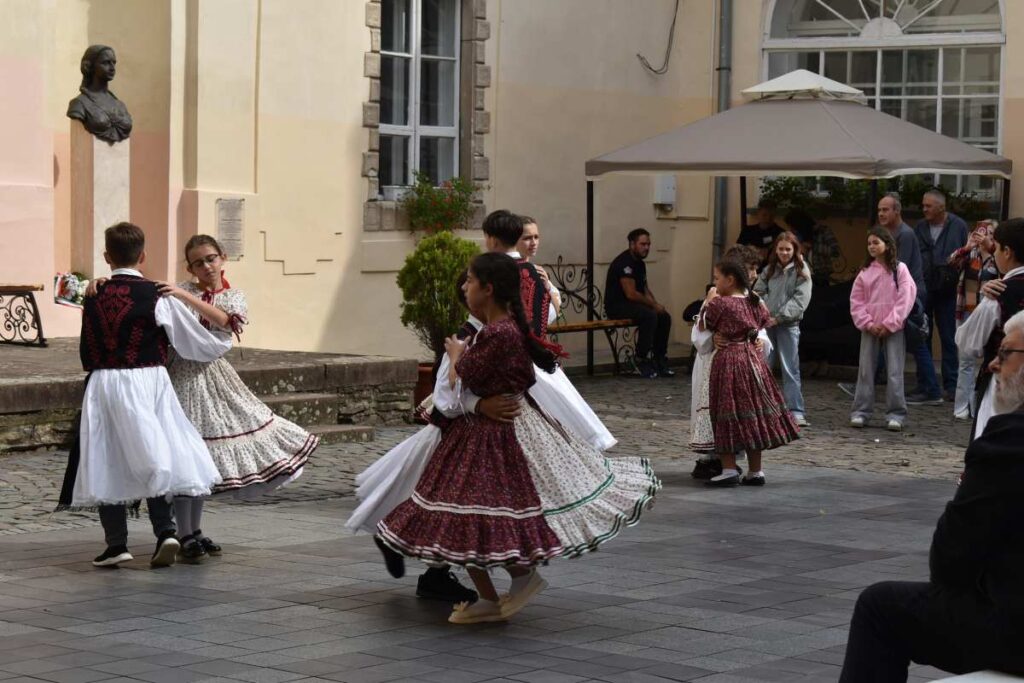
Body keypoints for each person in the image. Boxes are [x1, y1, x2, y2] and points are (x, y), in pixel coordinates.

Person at [377, 253, 661, 624]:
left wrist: (458, 357)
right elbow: (461, 388)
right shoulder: (496, 331)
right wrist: (474, 391)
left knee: (469, 514)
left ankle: (503, 589)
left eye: (470, 281)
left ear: (488, 289)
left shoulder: (497, 334)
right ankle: (501, 589)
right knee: (469, 514)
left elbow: (462, 380)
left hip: (495, 436)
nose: (465, 287)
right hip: (482, 432)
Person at [838, 310, 1024, 682]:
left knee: (879, 607)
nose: (993, 364)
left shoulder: (1009, 440)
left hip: (1015, 631)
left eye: (1004, 353)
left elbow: (951, 561)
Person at [72, 223, 229, 568]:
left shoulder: (93, 292)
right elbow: (193, 341)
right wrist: (220, 342)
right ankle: (166, 531)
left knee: (106, 455)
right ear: (142, 256)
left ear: (107, 257)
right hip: (148, 378)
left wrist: (96, 283)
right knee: (157, 450)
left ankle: (116, 544)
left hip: (103, 381)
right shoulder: (157, 295)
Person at [157, 235, 320, 562]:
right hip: (181, 377)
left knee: (205, 457)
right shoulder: (180, 290)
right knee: (188, 455)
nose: (206, 266)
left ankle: (194, 530)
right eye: (198, 263)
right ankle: (184, 533)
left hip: (213, 376)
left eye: (211, 258)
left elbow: (226, 321)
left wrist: (184, 296)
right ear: (190, 268)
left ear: (222, 258)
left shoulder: (231, 295)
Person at [700, 259, 799, 487]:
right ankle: (755, 471)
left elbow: (704, 324)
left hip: (729, 360)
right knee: (751, 412)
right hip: (753, 362)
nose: (715, 283)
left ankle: (728, 469)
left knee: (725, 410)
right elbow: (763, 322)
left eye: (717, 278)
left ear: (730, 280)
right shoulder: (754, 300)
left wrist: (708, 301)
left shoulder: (720, 304)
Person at [840, 194, 940, 405]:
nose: (881, 214)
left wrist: (893, 317)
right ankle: (872, 383)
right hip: (887, 304)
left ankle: (930, 388)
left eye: (885, 210)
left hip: (908, 296)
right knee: (889, 344)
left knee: (915, 341)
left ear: (897, 211)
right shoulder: (882, 243)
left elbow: (900, 270)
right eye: (879, 210)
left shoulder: (905, 234)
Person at [689, 245, 771, 479]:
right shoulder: (716, 297)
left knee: (746, 412)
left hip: (743, 365)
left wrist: (760, 341)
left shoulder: (753, 299)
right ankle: (715, 460)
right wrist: (713, 337)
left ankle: (740, 466)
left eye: (756, 269)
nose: (754, 274)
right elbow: (700, 330)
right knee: (720, 411)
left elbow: (760, 328)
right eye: (750, 268)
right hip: (715, 364)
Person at [954, 217, 1024, 440]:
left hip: (1005, 387)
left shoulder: (998, 294)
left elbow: (967, 343)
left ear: (1007, 252)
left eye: (997, 248)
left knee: (993, 444)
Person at [848, 228, 917, 432]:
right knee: (865, 370)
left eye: (876, 242)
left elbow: (906, 298)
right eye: (869, 243)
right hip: (870, 328)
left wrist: (890, 323)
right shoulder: (865, 272)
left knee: (895, 371)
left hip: (893, 328)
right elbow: (856, 301)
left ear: (887, 244)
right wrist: (868, 323)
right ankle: (861, 411)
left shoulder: (900, 269)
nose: (872, 246)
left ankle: (896, 414)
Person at [914, 190, 970, 403]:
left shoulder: (958, 226)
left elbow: (967, 255)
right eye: (923, 205)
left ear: (941, 207)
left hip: (948, 289)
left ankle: (951, 385)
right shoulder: (920, 227)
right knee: (923, 336)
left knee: (948, 337)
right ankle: (926, 384)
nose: (924, 209)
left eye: (928, 206)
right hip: (925, 288)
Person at [754, 233, 812, 427]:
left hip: (788, 325)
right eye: (781, 249)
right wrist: (766, 314)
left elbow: (800, 300)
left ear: (795, 250)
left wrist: (779, 317)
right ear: (775, 250)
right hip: (767, 325)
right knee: (763, 366)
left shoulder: (801, 270)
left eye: (788, 249)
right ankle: (761, 409)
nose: (784, 253)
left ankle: (795, 410)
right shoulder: (769, 269)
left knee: (790, 368)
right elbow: (758, 292)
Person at [947, 220, 999, 420]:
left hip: (990, 315)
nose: (985, 237)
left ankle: (982, 407)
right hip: (967, 311)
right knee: (965, 361)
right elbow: (951, 262)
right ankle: (962, 407)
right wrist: (967, 247)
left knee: (989, 360)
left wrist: (990, 247)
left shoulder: (997, 257)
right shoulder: (971, 254)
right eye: (982, 232)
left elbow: (1004, 273)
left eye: (990, 234)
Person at [605, 228, 673, 379]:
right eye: (643, 244)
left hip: (633, 305)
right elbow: (631, 293)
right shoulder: (624, 263)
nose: (646, 247)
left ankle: (659, 358)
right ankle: (640, 359)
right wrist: (653, 306)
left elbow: (645, 290)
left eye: (648, 244)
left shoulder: (640, 264)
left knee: (664, 316)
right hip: (617, 306)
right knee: (649, 315)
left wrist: (656, 305)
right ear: (632, 244)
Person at [66, 45, 133, 143]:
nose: (112, 68)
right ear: (90, 66)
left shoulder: (120, 105)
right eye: (106, 63)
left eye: (114, 63)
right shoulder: (79, 104)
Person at [785, 207, 840, 287]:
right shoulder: (794, 236)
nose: (791, 230)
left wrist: (813, 247)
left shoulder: (823, 231)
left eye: (793, 227)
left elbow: (835, 251)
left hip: (820, 276)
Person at [516, 216, 562, 312]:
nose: (534, 242)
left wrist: (547, 286)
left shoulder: (538, 271)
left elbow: (558, 311)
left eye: (536, 237)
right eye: (527, 238)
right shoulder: (510, 269)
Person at [737, 199, 785, 264]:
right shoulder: (747, 231)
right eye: (764, 215)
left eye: (771, 216)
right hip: (749, 265)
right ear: (758, 213)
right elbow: (738, 250)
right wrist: (756, 251)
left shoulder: (781, 233)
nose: (768, 218)